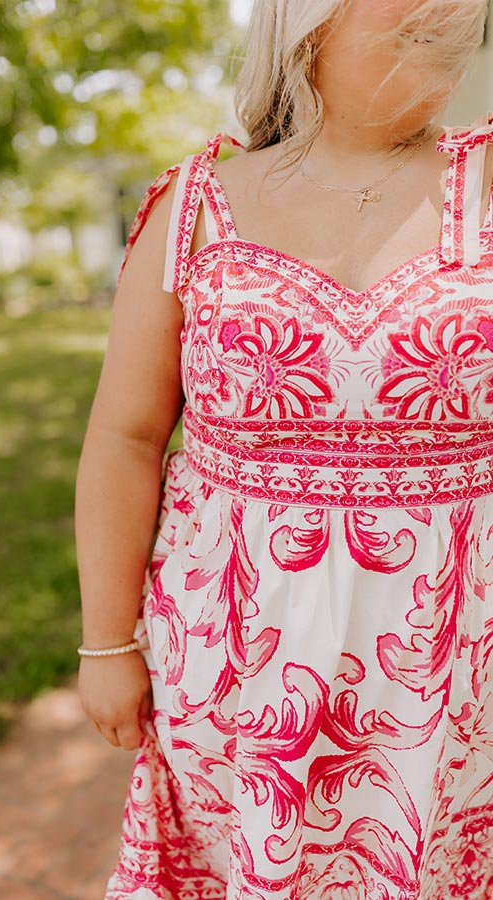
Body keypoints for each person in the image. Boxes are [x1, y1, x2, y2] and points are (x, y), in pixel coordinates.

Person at [74, 0, 493, 896]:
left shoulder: (490, 181)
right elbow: (126, 434)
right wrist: (108, 644)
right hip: (237, 676)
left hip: (455, 676)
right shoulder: (193, 208)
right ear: (308, 22)